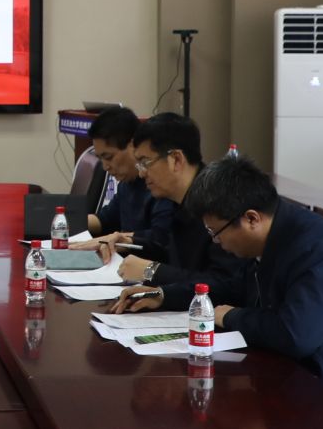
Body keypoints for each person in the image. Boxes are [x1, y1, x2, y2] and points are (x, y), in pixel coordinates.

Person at [119, 155, 323, 429]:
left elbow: (296, 335)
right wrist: (166, 295)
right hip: (316, 379)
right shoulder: (277, 234)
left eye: (216, 233)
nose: (216, 243)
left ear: (251, 218)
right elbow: (237, 287)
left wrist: (232, 317)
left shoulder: (315, 252)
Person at [101, 114, 246, 295]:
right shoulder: (177, 198)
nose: (141, 174)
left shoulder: (219, 202)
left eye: (146, 162)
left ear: (176, 159)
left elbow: (225, 284)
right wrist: (130, 243)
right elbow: (171, 252)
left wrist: (151, 271)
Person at [79, 106, 160, 241]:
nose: (105, 167)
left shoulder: (159, 185)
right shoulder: (127, 183)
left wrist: (118, 239)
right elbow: (105, 220)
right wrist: (62, 221)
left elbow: (161, 238)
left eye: (109, 157)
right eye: (100, 159)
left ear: (133, 145)